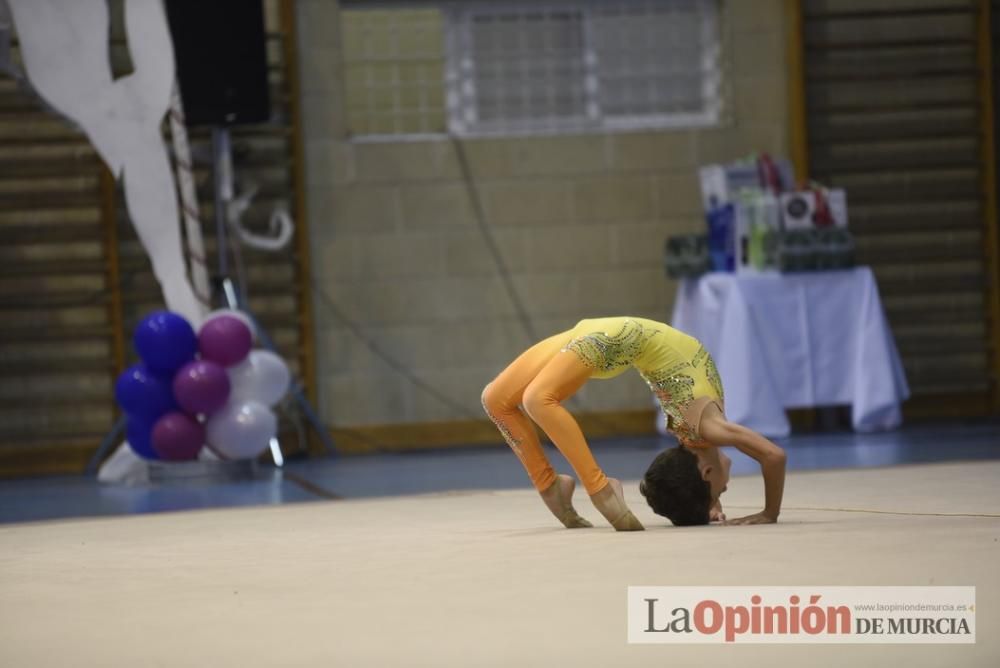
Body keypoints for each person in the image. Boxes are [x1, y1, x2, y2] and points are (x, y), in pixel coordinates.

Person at [480, 316, 786, 530]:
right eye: (722, 493)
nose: (724, 490)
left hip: (607, 333)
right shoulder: (711, 430)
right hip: (617, 335)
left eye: (722, 491)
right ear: (704, 471)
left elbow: (690, 480)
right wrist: (769, 513)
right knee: (501, 400)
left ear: (705, 471)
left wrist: (707, 503)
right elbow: (774, 456)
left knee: (522, 399)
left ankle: (549, 485)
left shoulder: (692, 438)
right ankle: (600, 487)